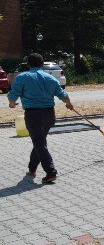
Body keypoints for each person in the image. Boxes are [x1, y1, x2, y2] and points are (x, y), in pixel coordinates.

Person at [7, 53, 74, 184]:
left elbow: (13, 94)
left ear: (28, 64)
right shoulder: (50, 78)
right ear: (42, 65)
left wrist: (11, 103)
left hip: (33, 115)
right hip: (49, 114)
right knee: (39, 141)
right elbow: (62, 94)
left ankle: (51, 172)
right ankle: (32, 168)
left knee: (39, 143)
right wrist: (69, 104)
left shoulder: (22, 77)